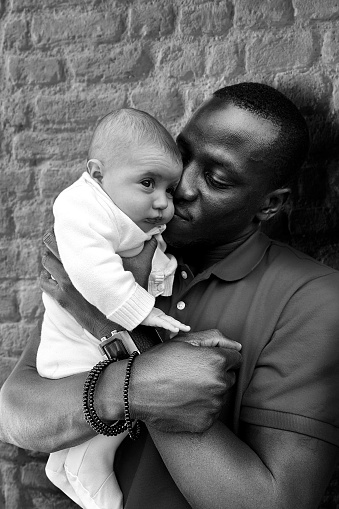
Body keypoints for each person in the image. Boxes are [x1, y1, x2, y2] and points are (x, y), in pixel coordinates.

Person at [1, 82, 339, 509]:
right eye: (184, 156)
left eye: (216, 178)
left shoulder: (315, 300)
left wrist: (109, 329)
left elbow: (273, 502)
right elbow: (15, 415)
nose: (180, 186)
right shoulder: (116, 251)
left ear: (269, 205)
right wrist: (138, 386)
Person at [37, 108, 204, 509]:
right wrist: (142, 310)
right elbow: (91, 271)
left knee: (124, 396)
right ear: (97, 174)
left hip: (98, 336)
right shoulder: (80, 205)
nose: (163, 202)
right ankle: (86, 467)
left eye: (169, 189)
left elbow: (152, 258)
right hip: (74, 344)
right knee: (120, 403)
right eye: (148, 183)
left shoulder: (131, 213)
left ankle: (67, 466)